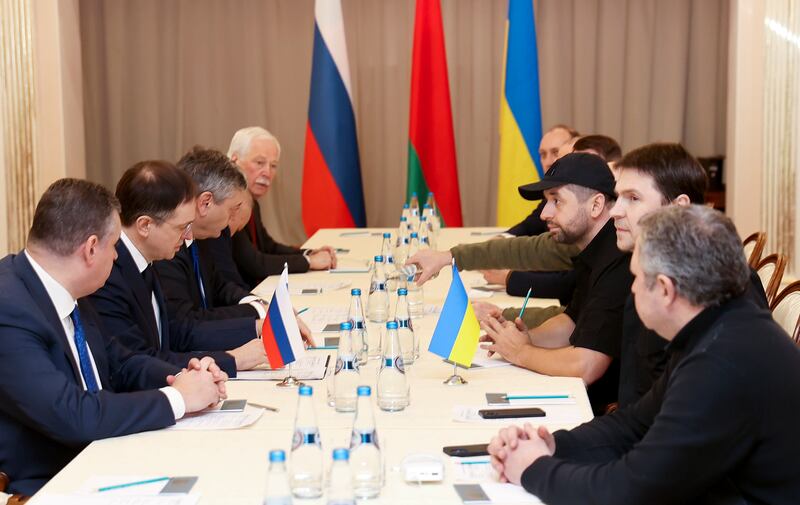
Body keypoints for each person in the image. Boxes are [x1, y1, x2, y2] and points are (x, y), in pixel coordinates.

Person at [488, 205, 800, 504]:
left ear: (665, 289)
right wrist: (552, 445)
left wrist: (533, 468)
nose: (632, 289)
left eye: (636, 278)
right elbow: (635, 424)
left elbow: (628, 492)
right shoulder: (716, 325)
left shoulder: (720, 363)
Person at [0, 179, 227, 495]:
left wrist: (184, 377)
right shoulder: (8, 308)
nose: (117, 258)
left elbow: (119, 360)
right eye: (113, 246)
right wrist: (178, 399)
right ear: (91, 249)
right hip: (53, 481)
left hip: (105, 454)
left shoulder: (67, 288)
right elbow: (71, 413)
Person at [481, 153, 631, 414]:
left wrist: (521, 352)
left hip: (606, 412)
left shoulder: (618, 258)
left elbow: (587, 365)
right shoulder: (593, 249)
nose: (545, 214)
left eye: (556, 201)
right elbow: (572, 322)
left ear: (596, 206)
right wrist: (523, 337)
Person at [88, 161, 267, 377]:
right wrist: (231, 359)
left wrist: (251, 332)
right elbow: (135, 362)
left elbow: (174, 333)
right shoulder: (109, 275)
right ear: (145, 225)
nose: (189, 237)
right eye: (182, 228)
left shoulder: (146, 259)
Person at [154, 147, 269, 321]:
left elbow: (219, 286)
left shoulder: (202, 236)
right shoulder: (167, 247)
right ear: (206, 203)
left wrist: (256, 303)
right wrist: (256, 314)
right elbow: (186, 325)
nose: (232, 219)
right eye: (232, 209)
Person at [227, 126, 337, 288]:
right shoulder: (227, 204)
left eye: (273, 166)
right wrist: (308, 262)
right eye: (259, 163)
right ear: (234, 161)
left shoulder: (251, 202)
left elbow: (268, 246)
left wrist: (308, 253)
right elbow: (254, 264)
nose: (267, 172)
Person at [506, 125, 580, 238]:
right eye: (543, 154)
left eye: (556, 153)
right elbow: (528, 227)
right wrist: (501, 238)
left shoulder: (583, 197)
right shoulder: (550, 194)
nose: (548, 162)